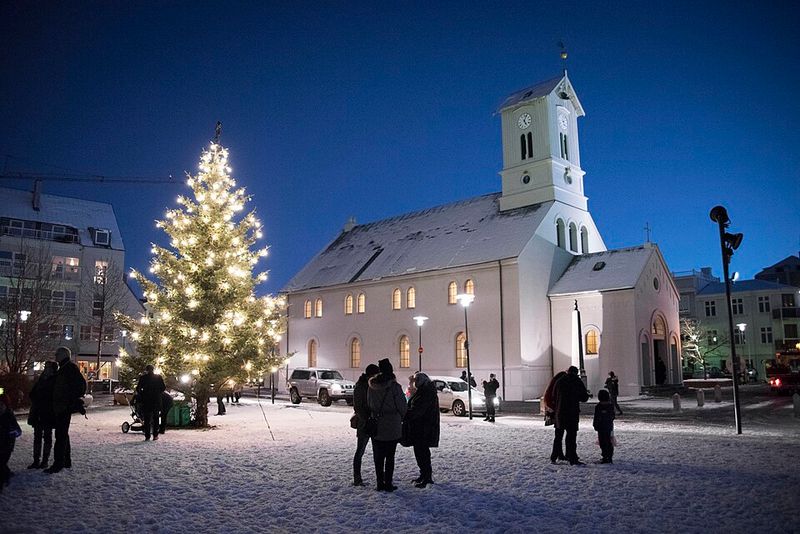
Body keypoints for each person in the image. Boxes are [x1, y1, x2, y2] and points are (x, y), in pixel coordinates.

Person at [367, 358, 407, 492]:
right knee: (390, 456)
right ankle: (388, 483)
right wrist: (401, 417)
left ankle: (379, 482)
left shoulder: (371, 386)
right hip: (392, 425)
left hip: (377, 423)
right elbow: (402, 406)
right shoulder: (395, 387)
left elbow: (369, 403)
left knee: (378, 456)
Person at [46, 347, 86, 474]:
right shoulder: (66, 368)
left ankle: (59, 463)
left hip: (63, 407)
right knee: (62, 434)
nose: (55, 356)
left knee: (60, 435)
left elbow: (80, 386)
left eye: (57, 354)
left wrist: (68, 399)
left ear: (63, 355)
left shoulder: (68, 368)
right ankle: (65, 460)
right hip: (62, 406)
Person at [405, 372, 440, 488]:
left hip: (423, 428)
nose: (415, 383)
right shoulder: (426, 391)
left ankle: (426, 476)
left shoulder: (426, 393)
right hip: (422, 427)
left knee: (422, 452)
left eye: (416, 380)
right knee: (421, 452)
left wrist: (406, 414)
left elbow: (418, 410)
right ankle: (424, 475)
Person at [554, 366, 590, 466]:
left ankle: (555, 455)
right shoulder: (576, 381)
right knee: (571, 436)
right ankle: (572, 457)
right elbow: (584, 397)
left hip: (560, 411)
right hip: (572, 412)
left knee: (558, 435)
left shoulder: (559, 381)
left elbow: (554, 395)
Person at [352, 363, 380, 487]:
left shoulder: (365, 385)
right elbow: (358, 406)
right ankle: (357, 478)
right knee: (361, 450)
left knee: (371, 451)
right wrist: (368, 418)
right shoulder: (362, 386)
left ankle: (375, 477)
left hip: (368, 422)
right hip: (365, 422)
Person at [27, 361, 58, 469]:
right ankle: (37, 460)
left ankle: (44, 460)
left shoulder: (53, 380)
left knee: (47, 437)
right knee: (38, 436)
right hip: (39, 411)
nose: (46, 369)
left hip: (47, 413)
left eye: (48, 367)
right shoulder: (42, 379)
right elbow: (33, 393)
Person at [135, 365, 166, 441]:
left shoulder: (143, 378)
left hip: (146, 400)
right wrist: (158, 392)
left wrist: (143, 394)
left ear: (146, 370)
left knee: (147, 419)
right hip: (156, 400)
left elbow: (138, 388)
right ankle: (155, 435)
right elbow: (163, 387)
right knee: (156, 418)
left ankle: (147, 436)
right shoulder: (158, 377)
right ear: (153, 369)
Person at [0, 389, 23, 492]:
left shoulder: (8, 416)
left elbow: (17, 431)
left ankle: (4, 478)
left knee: (1, 463)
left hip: (6, 445)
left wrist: (10, 433)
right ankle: (6, 474)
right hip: (5, 444)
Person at [543, 371, 567, 464]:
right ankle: (556, 455)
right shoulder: (558, 385)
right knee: (559, 434)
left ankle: (558, 454)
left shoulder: (553, 384)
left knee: (558, 434)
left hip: (555, 411)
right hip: (557, 411)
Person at [593, 389, 615, 464]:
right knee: (609, 441)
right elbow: (612, 416)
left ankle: (605, 456)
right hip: (609, 426)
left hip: (601, 427)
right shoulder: (610, 406)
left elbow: (596, 417)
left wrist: (595, 425)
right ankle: (609, 456)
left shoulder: (598, 406)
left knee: (603, 442)